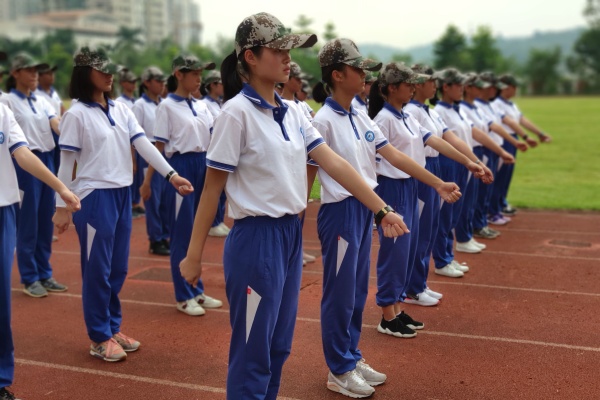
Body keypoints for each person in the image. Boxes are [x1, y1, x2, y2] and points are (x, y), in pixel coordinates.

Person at [179, 13, 409, 400]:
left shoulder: (295, 112)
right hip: (255, 241)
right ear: (250, 57)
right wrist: (193, 255)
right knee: (253, 351)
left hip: (289, 236)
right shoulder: (235, 113)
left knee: (278, 347)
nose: (288, 58)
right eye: (279, 50)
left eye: (290, 50)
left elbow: (335, 163)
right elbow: (211, 189)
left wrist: (381, 209)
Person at [311, 44, 461, 397]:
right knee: (340, 293)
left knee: (357, 290)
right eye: (358, 69)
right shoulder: (323, 120)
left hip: (363, 209)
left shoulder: (359, 114)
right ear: (337, 75)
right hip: (341, 212)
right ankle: (338, 368)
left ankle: (351, 355)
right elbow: (311, 172)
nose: (365, 75)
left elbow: (393, 155)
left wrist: (437, 183)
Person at [52, 46, 193, 362]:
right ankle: (98, 336)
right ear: (85, 73)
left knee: (118, 268)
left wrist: (171, 175)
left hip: (121, 195)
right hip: (93, 198)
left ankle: (112, 327)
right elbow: (66, 163)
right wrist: (61, 207)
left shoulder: (121, 109)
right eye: (101, 70)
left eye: (110, 70)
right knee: (97, 269)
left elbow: (143, 145)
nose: (109, 75)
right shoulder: (76, 114)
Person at [369, 64, 487, 312]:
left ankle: (405, 296)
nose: (413, 88)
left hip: (412, 182)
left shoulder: (406, 116)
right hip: (393, 187)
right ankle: (391, 307)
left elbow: (435, 140)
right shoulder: (384, 119)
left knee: (412, 243)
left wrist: (469, 162)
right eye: (408, 84)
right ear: (392, 88)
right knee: (396, 250)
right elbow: (387, 160)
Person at [1, 91, 80, 400]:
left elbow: (23, 153)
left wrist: (61, 187)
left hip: (3, 208)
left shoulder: (3, 110)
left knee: (1, 303)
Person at [145, 54, 224, 316]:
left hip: (203, 164)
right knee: (181, 234)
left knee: (198, 232)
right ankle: (183, 295)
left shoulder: (202, 105)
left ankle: (196, 289)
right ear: (178, 74)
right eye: (194, 74)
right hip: (180, 168)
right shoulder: (166, 107)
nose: (199, 78)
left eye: (201, 73)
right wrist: (148, 181)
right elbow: (157, 147)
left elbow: (214, 137)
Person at [431, 68, 515, 278]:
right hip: (449, 162)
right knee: (445, 214)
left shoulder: (455, 109)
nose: (462, 88)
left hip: (462, 160)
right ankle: (443, 258)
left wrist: (476, 161)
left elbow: (472, 132)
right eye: (458, 85)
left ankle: (449, 254)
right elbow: (447, 140)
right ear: (446, 87)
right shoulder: (440, 110)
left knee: (458, 209)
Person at [0, 52, 67, 298]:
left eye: (36, 70)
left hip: (46, 161)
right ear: (15, 73)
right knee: (28, 221)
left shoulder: (42, 100)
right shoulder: (7, 100)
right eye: (29, 70)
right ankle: (29, 277)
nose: (34, 74)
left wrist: (73, 135)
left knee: (45, 220)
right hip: (24, 164)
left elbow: (55, 123)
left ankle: (44, 272)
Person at [455, 73, 527, 254]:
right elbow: (475, 133)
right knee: (471, 197)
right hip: (472, 152)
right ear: (468, 88)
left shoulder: (475, 107)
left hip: (482, 151)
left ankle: (474, 229)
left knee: (478, 195)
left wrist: (507, 146)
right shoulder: (463, 108)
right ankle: (470, 231)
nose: (485, 90)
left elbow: (489, 127)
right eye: (479, 87)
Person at [491, 73, 551, 219]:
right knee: (500, 175)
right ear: (506, 88)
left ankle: (501, 202)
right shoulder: (496, 103)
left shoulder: (511, 104)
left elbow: (522, 120)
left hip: (512, 139)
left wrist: (540, 134)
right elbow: (510, 122)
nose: (516, 90)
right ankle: (494, 207)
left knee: (507, 175)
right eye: (514, 87)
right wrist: (526, 136)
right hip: (504, 140)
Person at [134, 66, 170, 256]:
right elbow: (133, 135)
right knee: (153, 198)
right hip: (148, 152)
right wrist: (133, 160)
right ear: (147, 82)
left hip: (165, 152)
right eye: (157, 80)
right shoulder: (140, 105)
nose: (162, 84)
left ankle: (164, 235)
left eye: (163, 80)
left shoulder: (164, 103)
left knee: (165, 198)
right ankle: (155, 239)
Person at [200, 70, 231, 237]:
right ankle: (212, 223)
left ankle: (218, 220)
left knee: (223, 190)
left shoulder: (219, 103)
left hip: (222, 149)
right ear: (212, 85)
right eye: (221, 83)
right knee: (214, 189)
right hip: (211, 150)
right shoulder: (204, 104)